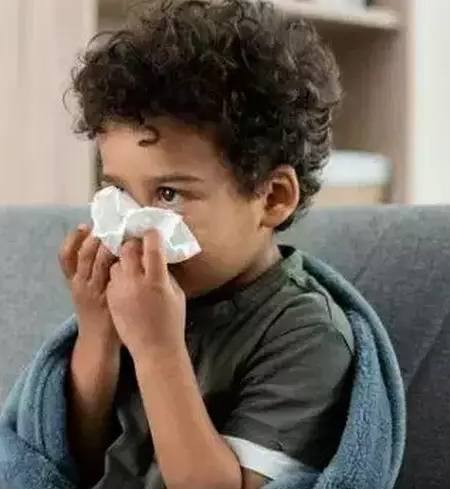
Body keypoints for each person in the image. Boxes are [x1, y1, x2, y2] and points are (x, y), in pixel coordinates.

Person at [60, 1, 352, 488]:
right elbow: (78, 464)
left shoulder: (305, 334)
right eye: (121, 192)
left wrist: (157, 351)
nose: (134, 227)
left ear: (273, 198)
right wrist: (98, 332)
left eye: (168, 194)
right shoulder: (145, 296)